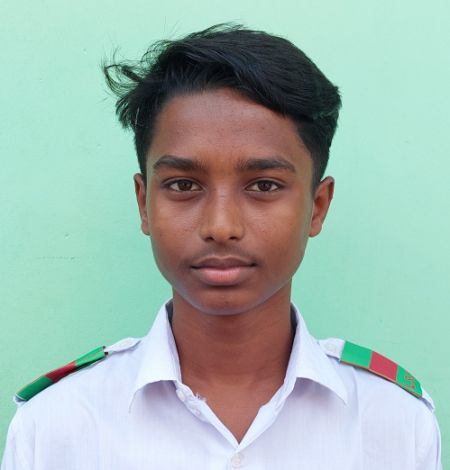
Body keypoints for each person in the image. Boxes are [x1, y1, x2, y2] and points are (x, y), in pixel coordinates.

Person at [1, 24, 442, 469]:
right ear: (144, 203)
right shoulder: (56, 425)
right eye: (183, 185)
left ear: (317, 206)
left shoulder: (394, 424)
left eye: (264, 185)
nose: (221, 226)